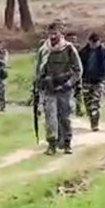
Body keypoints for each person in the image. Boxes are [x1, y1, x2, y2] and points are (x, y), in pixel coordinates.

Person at [34, 22, 82, 155]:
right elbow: (38, 70)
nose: (53, 36)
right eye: (51, 33)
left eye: (55, 33)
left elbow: (78, 70)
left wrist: (69, 83)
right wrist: (38, 86)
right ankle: (52, 144)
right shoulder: (44, 49)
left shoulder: (68, 48)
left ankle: (67, 143)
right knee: (50, 117)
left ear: (60, 33)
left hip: (64, 89)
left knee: (64, 117)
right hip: (49, 89)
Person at [78, 32, 105, 131]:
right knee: (88, 102)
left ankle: (95, 123)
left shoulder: (103, 51)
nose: (94, 45)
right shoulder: (83, 52)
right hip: (86, 80)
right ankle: (92, 118)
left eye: (96, 42)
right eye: (92, 42)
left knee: (95, 101)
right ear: (89, 42)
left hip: (99, 80)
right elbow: (78, 66)